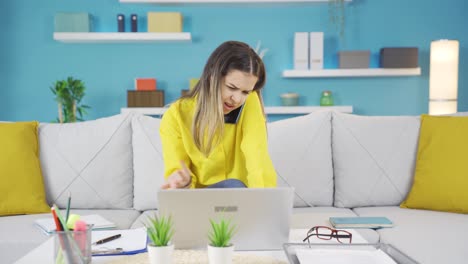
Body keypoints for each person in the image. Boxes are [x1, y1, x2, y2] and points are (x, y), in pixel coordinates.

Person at [160, 40, 277, 189]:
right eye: (231, 87)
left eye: (245, 92)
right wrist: (182, 182)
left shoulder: (249, 103)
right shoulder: (176, 115)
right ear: (212, 77)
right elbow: (176, 171)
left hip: (241, 197)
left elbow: (257, 156)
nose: (237, 99)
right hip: (201, 200)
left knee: (234, 185)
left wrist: (263, 200)